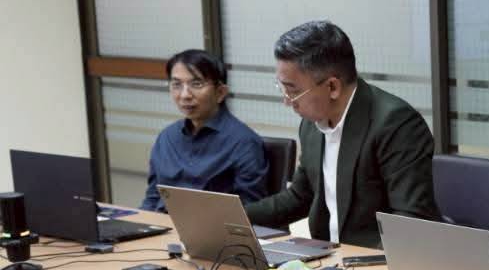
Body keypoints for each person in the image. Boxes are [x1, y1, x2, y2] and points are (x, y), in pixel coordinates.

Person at [244, 21, 439, 246]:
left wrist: (354, 261)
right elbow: (299, 197)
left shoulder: (395, 124)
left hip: (375, 260)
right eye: (283, 88)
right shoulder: (312, 124)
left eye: (293, 91)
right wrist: (235, 217)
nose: (287, 101)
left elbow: (410, 221)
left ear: (332, 87)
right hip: (329, 255)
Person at [140, 50, 267, 212]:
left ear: (220, 92)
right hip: (161, 224)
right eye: (177, 85)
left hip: (213, 227)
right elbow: (153, 197)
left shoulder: (244, 142)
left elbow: (250, 209)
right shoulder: (167, 137)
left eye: (197, 84)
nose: (185, 95)